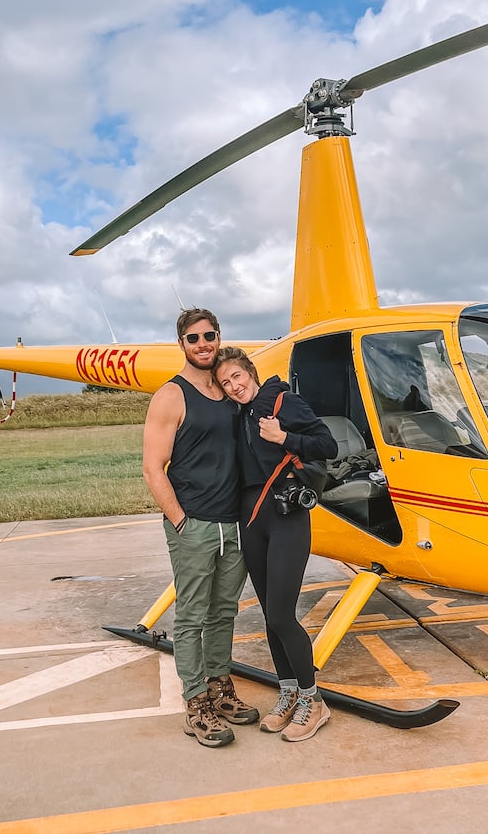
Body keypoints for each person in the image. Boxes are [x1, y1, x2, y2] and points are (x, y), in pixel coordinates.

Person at [142, 309, 259, 748]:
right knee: (191, 617)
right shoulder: (171, 396)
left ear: (218, 337)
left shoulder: (230, 390)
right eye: (194, 338)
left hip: (234, 522)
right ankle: (195, 704)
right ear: (182, 344)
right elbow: (153, 468)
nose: (203, 343)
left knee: (224, 612)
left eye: (209, 336)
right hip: (194, 522)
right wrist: (180, 521)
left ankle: (220, 688)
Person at [213, 346, 338, 742]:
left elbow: (328, 445)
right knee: (269, 616)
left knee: (283, 614)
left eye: (237, 376)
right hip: (252, 521)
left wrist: (285, 436)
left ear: (251, 371)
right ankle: (288, 694)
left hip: (286, 517)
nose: (234, 386)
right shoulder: (235, 416)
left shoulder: (282, 400)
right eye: (225, 383)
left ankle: (313, 701)